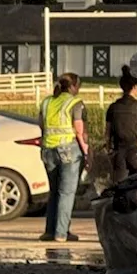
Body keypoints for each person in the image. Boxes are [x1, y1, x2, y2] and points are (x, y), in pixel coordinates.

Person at [39, 73, 89, 242]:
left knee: (54, 192)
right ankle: (61, 233)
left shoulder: (47, 102)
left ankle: (49, 231)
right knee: (66, 193)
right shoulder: (75, 103)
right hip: (68, 150)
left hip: (48, 150)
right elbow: (80, 131)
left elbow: (41, 125)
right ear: (74, 86)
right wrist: (87, 152)